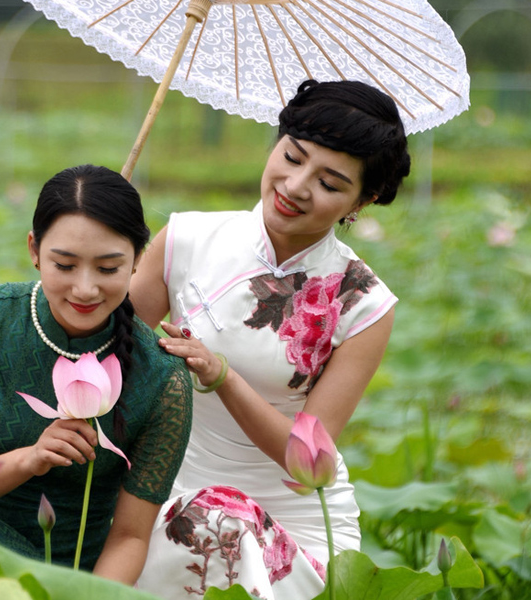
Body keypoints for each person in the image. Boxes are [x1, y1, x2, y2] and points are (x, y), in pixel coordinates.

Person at [129, 80, 411, 599]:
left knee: (222, 525)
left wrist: (222, 377)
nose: (297, 185)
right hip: (160, 485)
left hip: (289, 516)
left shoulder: (364, 304)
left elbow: (308, 461)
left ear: (363, 200)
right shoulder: (185, 239)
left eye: (329, 183)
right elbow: (103, 357)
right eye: (292, 156)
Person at [0, 164, 193, 585]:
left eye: (108, 269)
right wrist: (28, 459)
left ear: (138, 261)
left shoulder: (162, 380)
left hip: (70, 576)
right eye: (65, 265)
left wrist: (88, 598)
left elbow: (129, 537)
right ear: (34, 249)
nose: (85, 289)